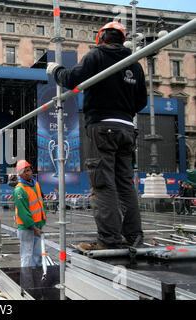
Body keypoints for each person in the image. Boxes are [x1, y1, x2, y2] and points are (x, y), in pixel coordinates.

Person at [47, 21, 147, 251]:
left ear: (101, 37)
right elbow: (142, 101)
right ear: (123, 39)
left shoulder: (97, 55)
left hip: (102, 126)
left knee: (103, 184)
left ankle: (109, 239)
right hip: (126, 128)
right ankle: (133, 237)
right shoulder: (135, 64)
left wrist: (55, 71)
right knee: (125, 184)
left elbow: (72, 79)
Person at [13, 160, 46, 267]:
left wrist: (41, 220)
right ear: (19, 174)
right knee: (27, 256)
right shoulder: (19, 190)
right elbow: (23, 212)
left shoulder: (35, 184)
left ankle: (36, 278)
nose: (27, 173)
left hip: (37, 225)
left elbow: (40, 202)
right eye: (24, 171)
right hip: (27, 228)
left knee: (37, 255)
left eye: (28, 170)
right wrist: (33, 227)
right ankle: (26, 280)